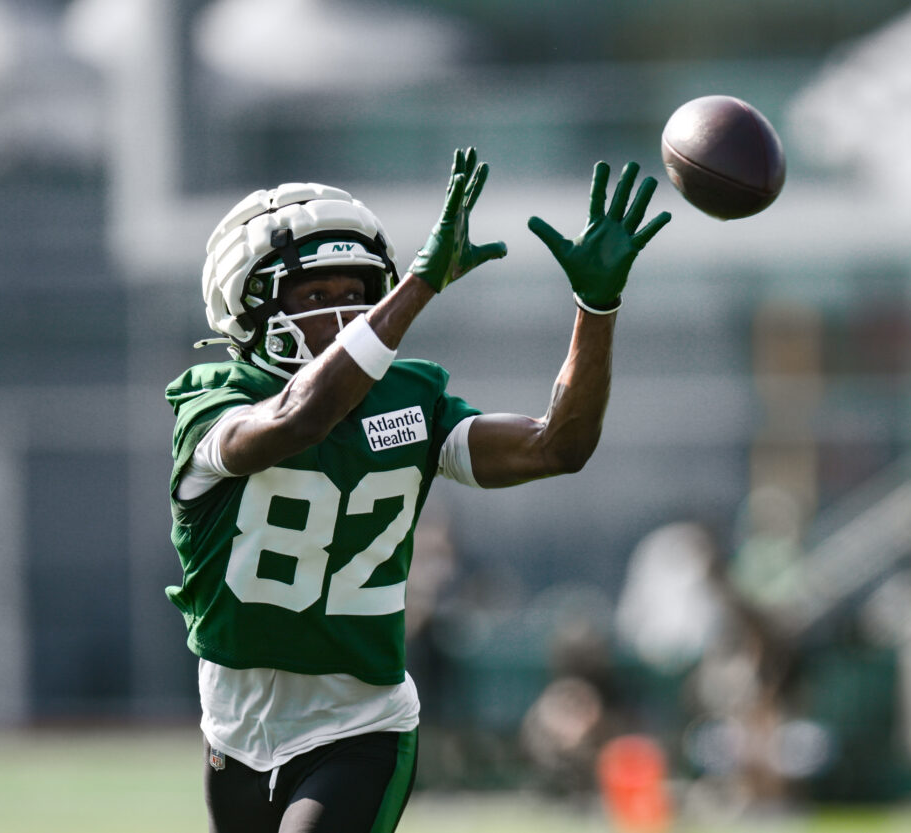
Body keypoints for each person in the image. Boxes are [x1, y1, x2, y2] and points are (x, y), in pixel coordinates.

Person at [164, 147, 671, 833]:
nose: (345, 315)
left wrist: (596, 307)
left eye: (357, 292)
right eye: (316, 296)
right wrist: (421, 284)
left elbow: (559, 445)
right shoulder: (214, 406)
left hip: (359, 724)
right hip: (235, 729)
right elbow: (299, 418)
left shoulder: (411, 400)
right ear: (246, 308)